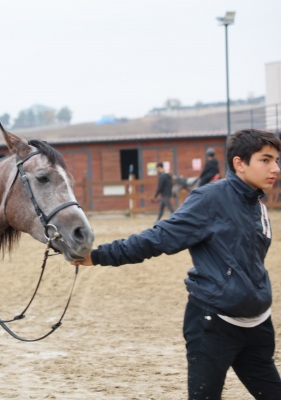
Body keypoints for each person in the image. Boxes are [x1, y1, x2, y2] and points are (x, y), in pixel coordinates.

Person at [74, 129, 281, 399]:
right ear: (239, 163)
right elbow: (158, 239)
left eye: (276, 160)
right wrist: (100, 255)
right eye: (265, 160)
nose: (275, 168)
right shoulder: (209, 199)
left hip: (258, 325)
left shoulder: (257, 203)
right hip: (214, 325)